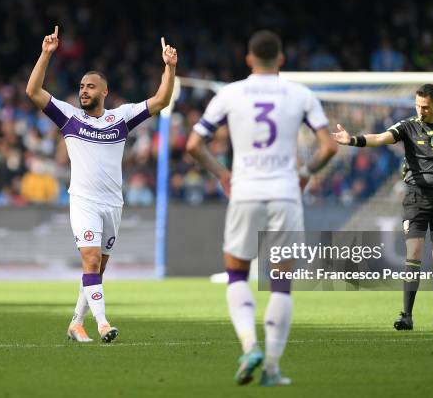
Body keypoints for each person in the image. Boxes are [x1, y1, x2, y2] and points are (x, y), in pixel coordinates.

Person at [186, 30, 337, 386]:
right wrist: (303, 173)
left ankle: (249, 344)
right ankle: (271, 367)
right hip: (285, 193)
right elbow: (329, 147)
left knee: (237, 273)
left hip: (245, 191)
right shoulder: (301, 95)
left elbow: (193, 143)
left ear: (249, 59)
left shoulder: (230, 93)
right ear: (281, 59)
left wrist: (223, 174)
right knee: (281, 283)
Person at [26, 26, 177, 343]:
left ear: (104, 92)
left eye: (90, 87)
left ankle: (76, 322)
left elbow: (162, 100)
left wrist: (170, 67)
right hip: (83, 201)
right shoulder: (68, 116)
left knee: (97, 269)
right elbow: (33, 92)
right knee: (91, 260)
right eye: (81, 86)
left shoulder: (120, 118)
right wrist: (46, 54)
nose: (84, 91)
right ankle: (104, 323)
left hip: (113, 204)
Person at [331, 83, 433, 331]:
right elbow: (380, 138)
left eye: (425, 107)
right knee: (413, 254)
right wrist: (352, 139)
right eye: (417, 105)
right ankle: (406, 315)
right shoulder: (407, 126)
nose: (421, 111)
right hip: (416, 197)